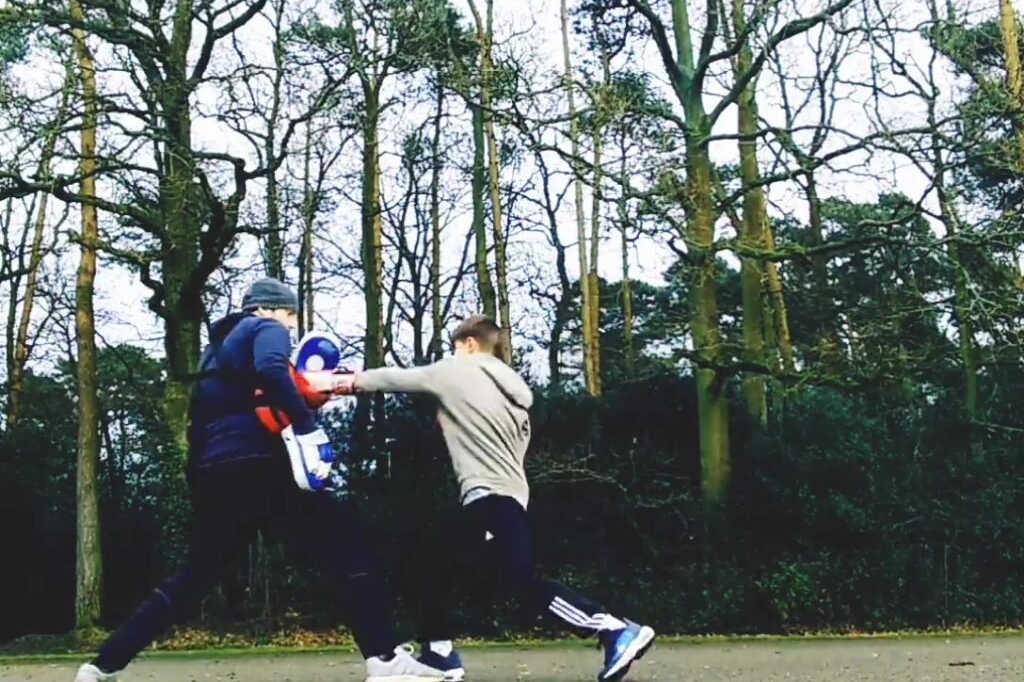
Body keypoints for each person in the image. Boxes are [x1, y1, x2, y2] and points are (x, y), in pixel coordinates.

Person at [74, 277, 443, 682]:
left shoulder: (210, 356)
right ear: (267, 308)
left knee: (195, 576)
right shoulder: (265, 328)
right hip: (264, 464)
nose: (290, 325)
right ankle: (384, 658)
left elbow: (200, 424)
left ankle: (102, 664)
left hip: (217, 472)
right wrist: (306, 428)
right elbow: (271, 367)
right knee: (347, 548)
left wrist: (199, 479)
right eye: (289, 315)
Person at [332, 315, 655, 682]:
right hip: (508, 496)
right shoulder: (513, 396)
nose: (451, 355)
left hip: (487, 496)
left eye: (455, 347)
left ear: (469, 344)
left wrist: (339, 382)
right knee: (434, 563)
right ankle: (439, 652)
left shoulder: (457, 369)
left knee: (516, 579)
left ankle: (612, 629)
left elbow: (397, 378)